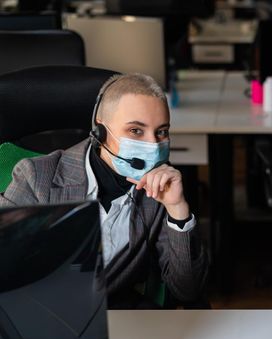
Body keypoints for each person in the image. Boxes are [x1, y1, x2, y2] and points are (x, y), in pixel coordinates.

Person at [0, 73, 208, 309]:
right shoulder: (37, 177)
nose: (153, 144)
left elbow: (187, 291)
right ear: (100, 130)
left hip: (113, 320)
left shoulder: (159, 193)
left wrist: (177, 208)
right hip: (34, 316)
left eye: (161, 132)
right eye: (136, 131)